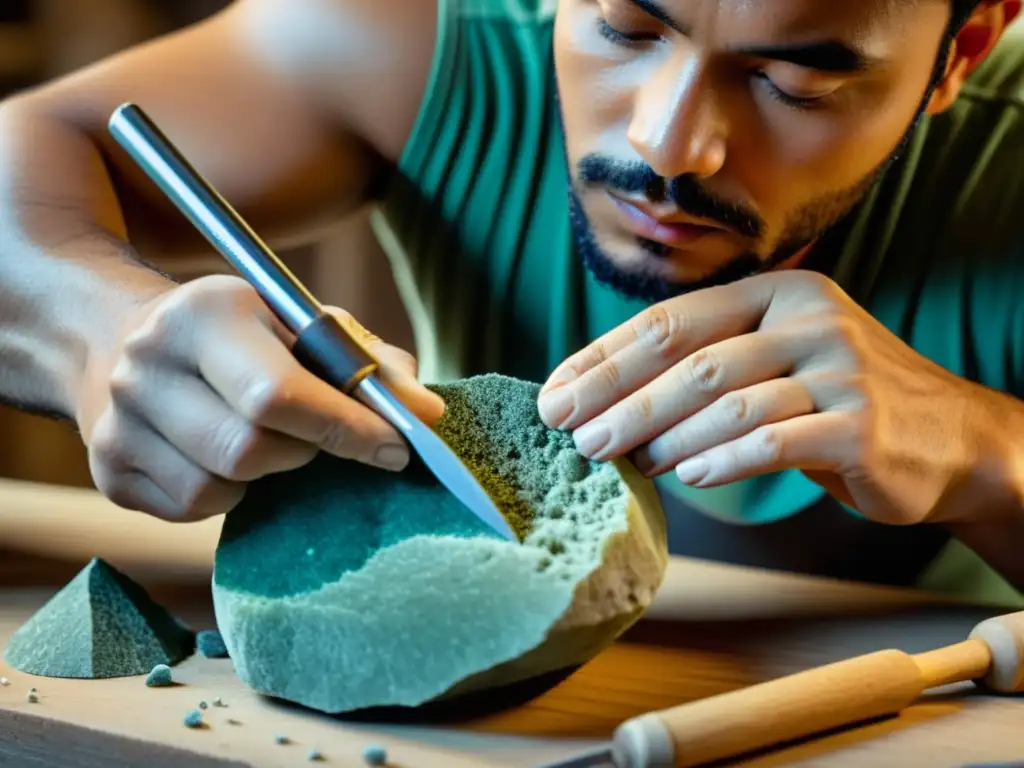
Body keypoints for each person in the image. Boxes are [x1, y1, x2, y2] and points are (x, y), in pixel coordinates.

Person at [0, 0, 1021, 594]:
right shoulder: (423, 42)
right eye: (625, 26)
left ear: (960, 52)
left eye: (790, 81)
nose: (666, 145)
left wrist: (989, 455)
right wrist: (100, 333)